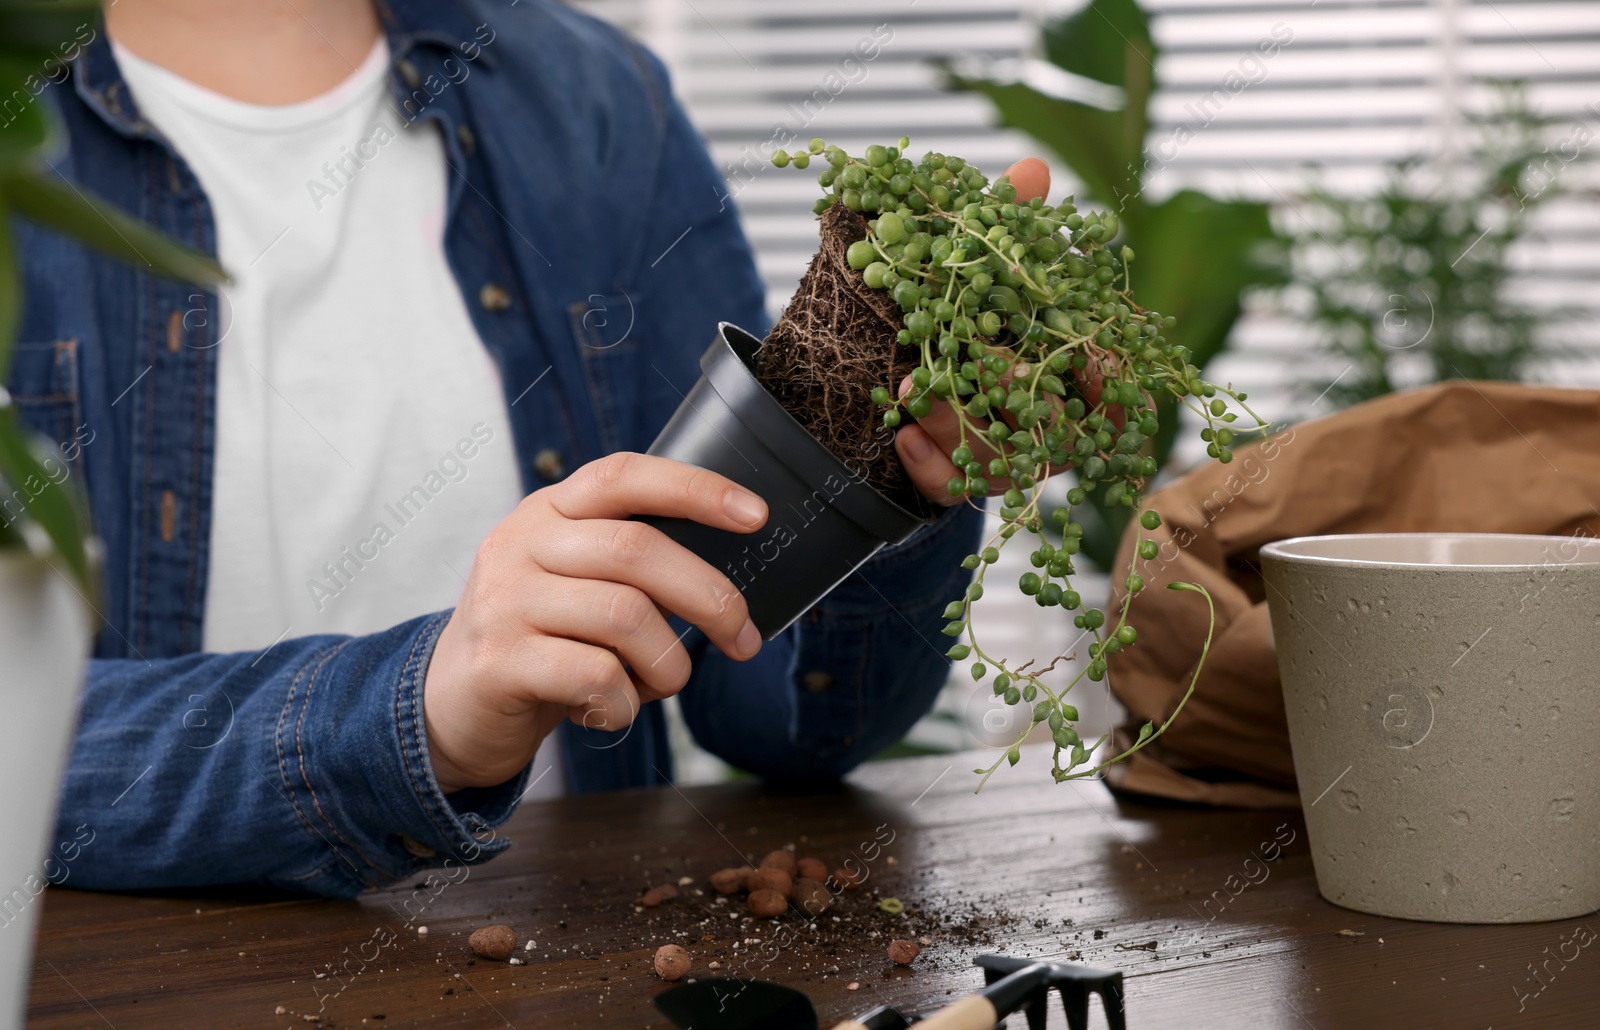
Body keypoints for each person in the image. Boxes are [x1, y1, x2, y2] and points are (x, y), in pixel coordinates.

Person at [15, 0, 1054, 898]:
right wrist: (415, 714)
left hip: (568, 963)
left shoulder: (593, 103)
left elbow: (783, 715)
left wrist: (895, 474)